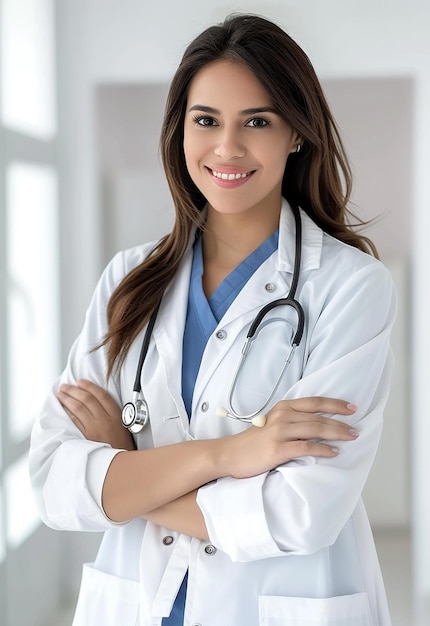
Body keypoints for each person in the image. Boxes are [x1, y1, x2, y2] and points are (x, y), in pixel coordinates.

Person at [29, 13, 396, 626]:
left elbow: (300, 512)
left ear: (296, 135)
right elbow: (54, 482)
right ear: (180, 132)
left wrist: (128, 470)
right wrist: (233, 454)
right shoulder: (129, 279)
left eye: (256, 121)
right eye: (206, 121)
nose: (227, 147)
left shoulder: (351, 287)